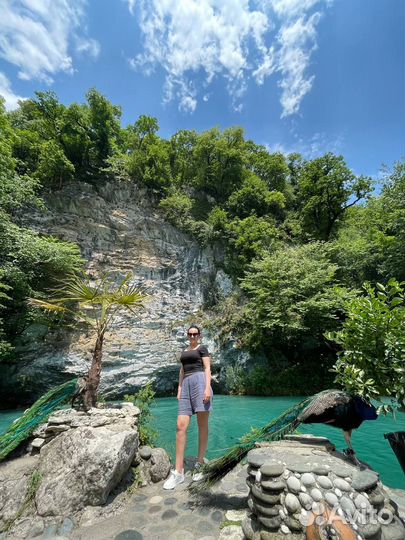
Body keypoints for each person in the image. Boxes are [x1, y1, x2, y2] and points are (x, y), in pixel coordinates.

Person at [163, 324, 213, 490]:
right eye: (190, 334)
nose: (192, 337)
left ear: (199, 335)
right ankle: (178, 472)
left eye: (195, 334)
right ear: (187, 335)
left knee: (202, 425)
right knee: (180, 426)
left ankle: (200, 463)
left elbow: (207, 368)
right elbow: (182, 371)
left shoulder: (203, 348)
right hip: (186, 385)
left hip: (200, 383)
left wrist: (207, 387)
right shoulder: (184, 352)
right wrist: (179, 388)